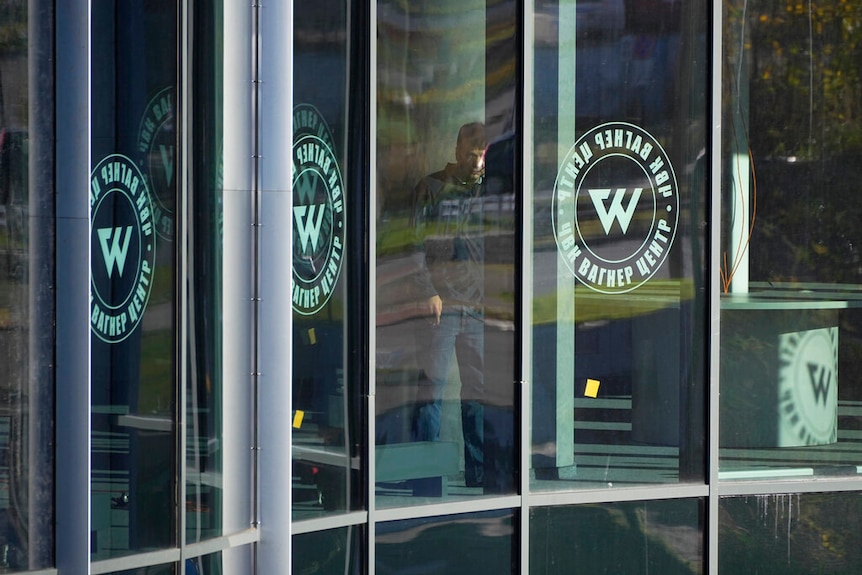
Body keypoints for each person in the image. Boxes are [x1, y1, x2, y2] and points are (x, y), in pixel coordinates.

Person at [411, 122, 487, 488]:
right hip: (440, 309)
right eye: (471, 154)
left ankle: (479, 475)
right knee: (431, 392)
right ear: (458, 151)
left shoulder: (492, 190)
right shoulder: (431, 188)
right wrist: (428, 291)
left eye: (482, 155)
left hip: (477, 309)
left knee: (478, 394)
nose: (476, 162)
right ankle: (425, 477)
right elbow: (410, 245)